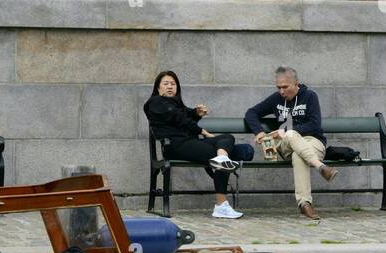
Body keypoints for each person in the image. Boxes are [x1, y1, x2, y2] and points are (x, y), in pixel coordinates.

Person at [144, 70, 250, 220]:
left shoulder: (175, 103)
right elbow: (180, 118)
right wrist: (203, 131)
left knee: (227, 138)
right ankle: (221, 205)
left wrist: (196, 113)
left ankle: (223, 157)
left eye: (173, 84)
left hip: (189, 143)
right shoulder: (155, 103)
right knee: (227, 155)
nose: (170, 86)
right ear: (158, 88)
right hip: (175, 146)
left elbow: (187, 115)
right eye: (165, 83)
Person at [244, 65, 337, 222]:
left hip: (313, 142)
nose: (281, 91)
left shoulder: (310, 96)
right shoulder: (276, 99)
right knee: (292, 135)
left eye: (285, 87)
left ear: (296, 84)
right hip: (286, 145)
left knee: (298, 156)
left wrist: (286, 130)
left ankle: (304, 204)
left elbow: (314, 125)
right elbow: (251, 113)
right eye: (278, 87)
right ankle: (321, 167)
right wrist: (259, 131)